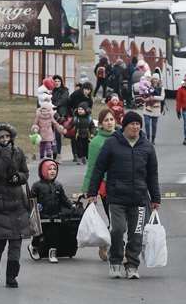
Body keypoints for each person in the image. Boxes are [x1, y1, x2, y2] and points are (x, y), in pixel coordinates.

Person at [87, 111, 161, 280]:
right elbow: (99, 169)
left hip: (140, 199)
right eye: (132, 124)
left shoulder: (147, 147)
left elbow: (152, 175)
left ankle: (132, 265)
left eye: (138, 124)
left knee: (137, 233)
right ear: (125, 126)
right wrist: (92, 192)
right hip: (117, 197)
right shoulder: (112, 144)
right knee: (118, 229)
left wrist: (155, 198)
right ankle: (115, 261)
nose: (135, 127)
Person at [0, 122, 32, 288]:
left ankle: (11, 276)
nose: (4, 139)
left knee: (16, 244)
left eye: (7, 136)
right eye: (0, 137)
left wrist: (18, 178)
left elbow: (25, 173)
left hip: (17, 204)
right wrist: (4, 156)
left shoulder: (18, 152)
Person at [82, 108, 118, 262]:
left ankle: (112, 246)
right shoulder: (96, 142)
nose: (109, 123)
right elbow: (92, 167)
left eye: (111, 119)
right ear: (101, 124)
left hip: (123, 183)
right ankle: (110, 247)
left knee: (121, 221)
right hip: (105, 185)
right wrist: (89, 190)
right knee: (115, 220)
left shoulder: (120, 137)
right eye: (106, 120)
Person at [28, 159, 75, 263]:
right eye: (49, 169)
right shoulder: (37, 186)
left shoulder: (58, 185)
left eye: (54, 169)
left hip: (55, 215)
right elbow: (31, 200)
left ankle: (52, 253)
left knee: (54, 235)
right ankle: (33, 246)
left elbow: (64, 199)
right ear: (43, 170)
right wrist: (33, 212)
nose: (52, 171)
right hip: (41, 216)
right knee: (38, 235)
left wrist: (71, 206)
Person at [51, 75, 70, 159]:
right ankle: (51, 153)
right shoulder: (50, 91)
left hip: (60, 115)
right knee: (50, 135)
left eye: (58, 81)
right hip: (50, 114)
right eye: (55, 81)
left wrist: (54, 105)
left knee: (58, 135)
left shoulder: (65, 90)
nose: (57, 83)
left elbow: (63, 99)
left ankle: (58, 153)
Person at [143, 74, 164, 144]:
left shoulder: (161, 88)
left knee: (154, 125)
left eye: (156, 79)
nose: (155, 80)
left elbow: (162, 98)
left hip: (156, 108)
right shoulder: (148, 87)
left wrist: (153, 97)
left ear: (158, 80)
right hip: (147, 108)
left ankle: (153, 139)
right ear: (151, 80)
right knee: (147, 124)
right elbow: (144, 96)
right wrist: (148, 98)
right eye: (154, 79)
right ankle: (147, 138)